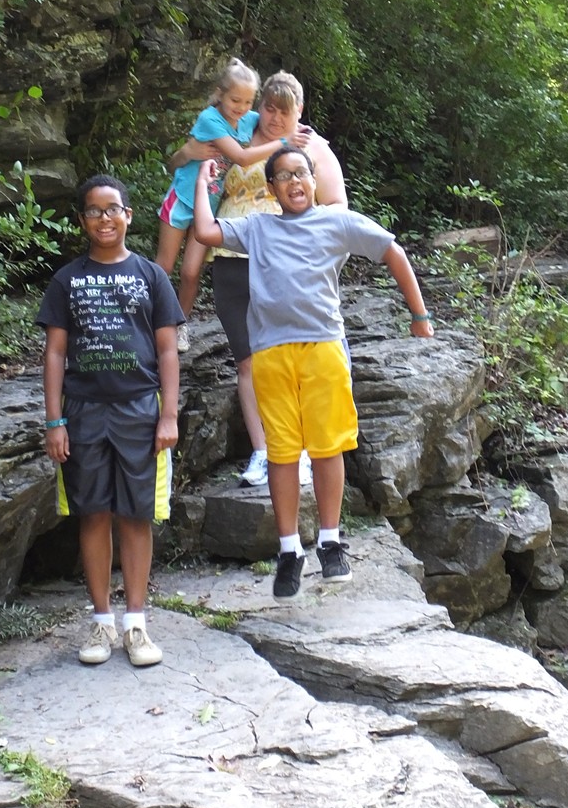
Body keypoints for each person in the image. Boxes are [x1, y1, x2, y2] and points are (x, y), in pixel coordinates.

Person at [193, 146, 434, 599]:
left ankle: (330, 541)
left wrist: (418, 315)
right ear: (271, 188)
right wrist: (202, 187)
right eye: (284, 176)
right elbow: (206, 231)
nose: (294, 182)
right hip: (270, 353)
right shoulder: (258, 227)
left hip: (323, 348)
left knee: (327, 447)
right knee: (282, 453)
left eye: (301, 173)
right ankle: (289, 550)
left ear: (313, 180)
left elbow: (393, 252)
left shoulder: (336, 221)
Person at [168, 71, 345, 487]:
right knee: (247, 360)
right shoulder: (237, 132)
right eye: (268, 108)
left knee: (292, 354)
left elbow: (337, 206)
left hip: (286, 264)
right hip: (230, 257)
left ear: (299, 111)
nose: (275, 118)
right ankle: (264, 451)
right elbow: (186, 166)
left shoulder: (312, 147)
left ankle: (301, 450)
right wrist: (185, 152)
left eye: (285, 111)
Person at [37, 174, 184, 667]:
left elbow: (168, 349)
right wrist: (54, 420)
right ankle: (101, 621)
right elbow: (54, 353)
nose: (105, 219)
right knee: (93, 512)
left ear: (128, 216)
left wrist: (169, 415)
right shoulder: (67, 280)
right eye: (94, 211)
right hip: (82, 411)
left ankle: (135, 624)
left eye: (112, 209)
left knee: (136, 514)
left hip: (140, 409)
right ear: (82, 220)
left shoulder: (151, 276)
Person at [156, 58, 298, 353]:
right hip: (182, 199)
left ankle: (180, 324)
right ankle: (145, 320)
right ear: (220, 94)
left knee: (191, 272)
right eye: (235, 100)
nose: (241, 107)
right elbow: (242, 158)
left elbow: (278, 114)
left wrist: (300, 131)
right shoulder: (210, 119)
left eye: (248, 101)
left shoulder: (247, 119)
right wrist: (286, 141)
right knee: (164, 267)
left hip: (208, 206)